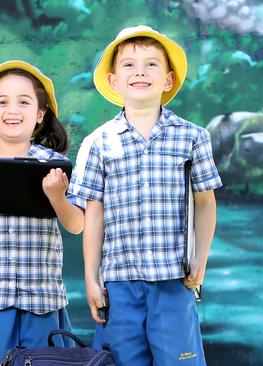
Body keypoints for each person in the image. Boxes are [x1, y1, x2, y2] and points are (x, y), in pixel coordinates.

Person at [74, 25, 222, 365]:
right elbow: (93, 214)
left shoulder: (192, 137)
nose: (140, 71)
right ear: (113, 81)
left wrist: (200, 260)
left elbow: (204, 201)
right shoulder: (98, 143)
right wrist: (91, 278)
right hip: (120, 284)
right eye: (128, 65)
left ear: (168, 80)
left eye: (151, 64)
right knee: (123, 360)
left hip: (174, 279)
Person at [0, 60, 85, 365]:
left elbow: (76, 224)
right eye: (2, 102)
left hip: (41, 300)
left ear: (39, 114)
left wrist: (57, 196)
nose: (13, 110)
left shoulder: (54, 165)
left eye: (24, 102)